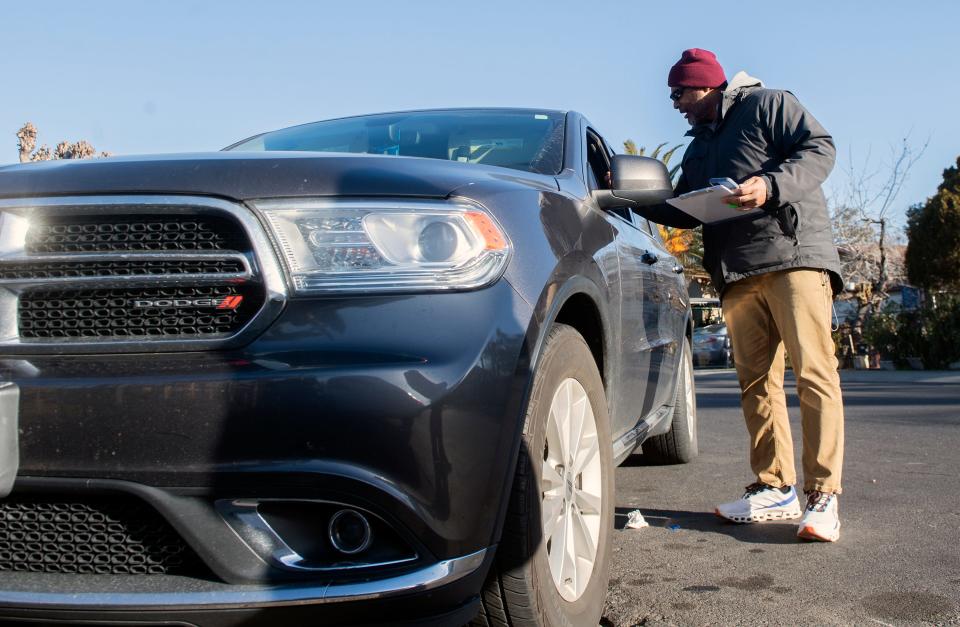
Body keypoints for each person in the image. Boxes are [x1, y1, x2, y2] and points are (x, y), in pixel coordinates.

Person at [635, 48, 845, 542]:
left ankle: (823, 496)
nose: (675, 103)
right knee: (756, 383)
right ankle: (775, 488)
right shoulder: (697, 149)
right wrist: (626, 196)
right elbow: (685, 209)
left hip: (794, 258)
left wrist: (769, 186)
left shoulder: (769, 104)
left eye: (679, 92)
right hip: (736, 270)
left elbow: (821, 148)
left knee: (814, 374)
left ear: (706, 85)